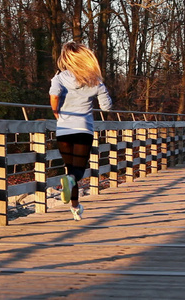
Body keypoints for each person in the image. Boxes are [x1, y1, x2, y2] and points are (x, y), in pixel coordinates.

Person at [49, 41, 112, 221]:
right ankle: (74, 202)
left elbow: (54, 95)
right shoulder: (95, 80)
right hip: (83, 129)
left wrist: (56, 113)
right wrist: (104, 94)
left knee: (70, 170)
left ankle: (75, 208)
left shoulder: (59, 78)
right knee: (78, 170)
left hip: (63, 129)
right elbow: (106, 107)